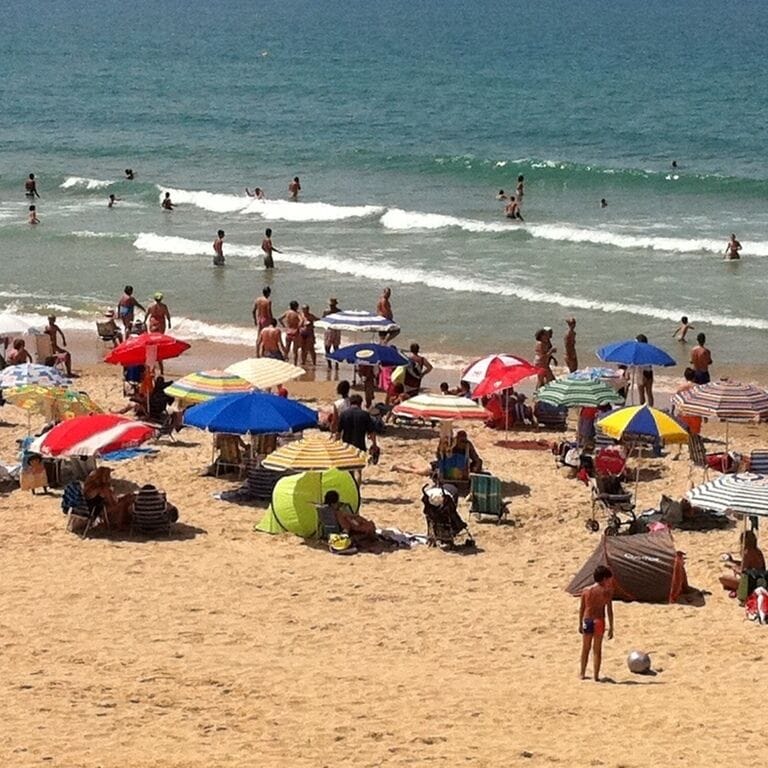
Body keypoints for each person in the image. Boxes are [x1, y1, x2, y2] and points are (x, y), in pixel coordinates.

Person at [579, 565, 614, 681]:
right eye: (609, 579)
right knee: (597, 650)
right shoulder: (607, 592)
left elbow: (582, 608)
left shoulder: (586, 591)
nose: (610, 582)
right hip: (599, 620)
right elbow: (609, 610)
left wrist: (580, 623)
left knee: (585, 648)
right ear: (604, 579)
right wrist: (611, 626)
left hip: (587, 620)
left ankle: (582, 673)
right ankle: (596, 676)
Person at [278, 300, 302, 365]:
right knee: (295, 350)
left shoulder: (287, 312)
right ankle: (295, 364)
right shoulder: (297, 314)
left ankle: (284, 362)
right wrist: (299, 327)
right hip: (295, 332)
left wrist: (284, 326)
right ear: (296, 307)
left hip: (288, 332)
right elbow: (301, 321)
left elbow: (279, 319)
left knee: (287, 349)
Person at [252, 287, 273, 355]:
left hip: (259, 319)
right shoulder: (268, 301)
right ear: (268, 293)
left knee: (259, 337)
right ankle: (263, 353)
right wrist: (272, 320)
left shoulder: (257, 300)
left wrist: (255, 320)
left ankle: (257, 353)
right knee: (265, 337)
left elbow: (253, 311)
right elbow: (269, 312)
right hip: (266, 320)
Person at [635, 333, 654, 407]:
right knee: (649, 393)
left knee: (641, 393)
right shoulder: (649, 351)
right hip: (649, 372)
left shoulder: (638, 352)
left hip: (641, 373)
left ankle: (642, 408)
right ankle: (651, 408)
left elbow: (636, 363)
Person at [323, 297, 342, 369]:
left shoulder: (326, 311)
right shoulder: (339, 311)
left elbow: (323, 320)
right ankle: (336, 364)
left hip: (329, 329)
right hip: (337, 329)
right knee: (336, 347)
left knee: (327, 347)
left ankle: (330, 365)